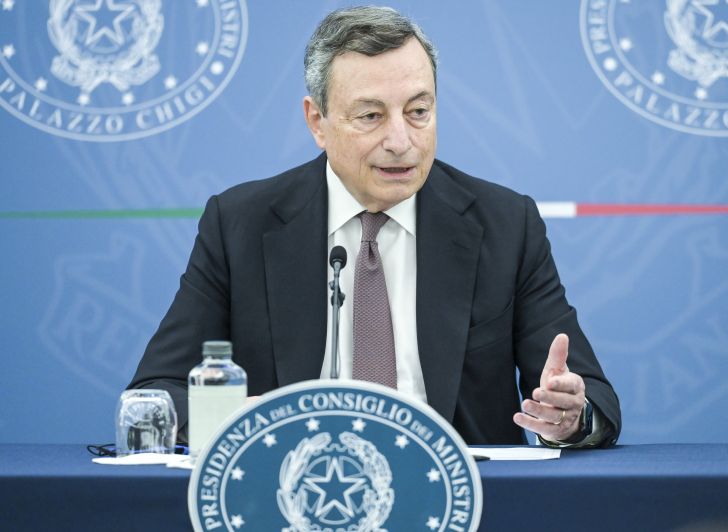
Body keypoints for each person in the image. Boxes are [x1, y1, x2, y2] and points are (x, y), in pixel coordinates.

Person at [129, 6, 621, 447]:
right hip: (293, 490)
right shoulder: (240, 224)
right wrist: (236, 418)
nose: (401, 141)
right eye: (371, 116)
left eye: (418, 112)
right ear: (317, 121)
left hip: (465, 496)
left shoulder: (506, 225)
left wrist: (570, 416)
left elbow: (593, 399)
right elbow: (155, 393)